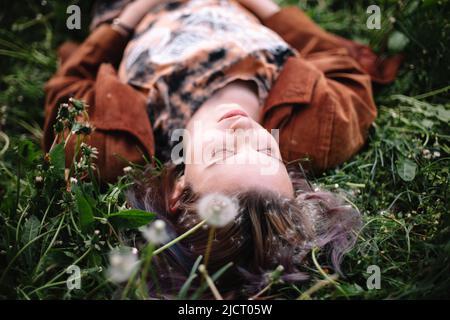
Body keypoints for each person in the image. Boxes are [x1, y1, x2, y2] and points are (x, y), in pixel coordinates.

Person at [43, 0, 401, 297]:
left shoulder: (113, 143)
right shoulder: (324, 128)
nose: (243, 128)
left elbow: (67, 86)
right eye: (266, 152)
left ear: (178, 191)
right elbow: (339, 63)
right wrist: (266, 7)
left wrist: (130, 17)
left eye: (221, 154)